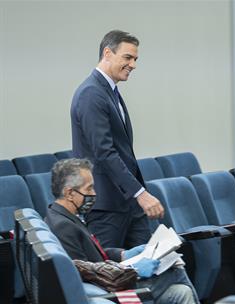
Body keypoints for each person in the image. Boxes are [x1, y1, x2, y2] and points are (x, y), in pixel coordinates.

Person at [45, 159, 198, 304]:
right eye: (89, 188)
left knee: (181, 291)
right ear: (69, 193)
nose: (94, 193)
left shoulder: (64, 216)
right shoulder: (63, 226)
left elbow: (91, 258)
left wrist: (124, 254)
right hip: (110, 291)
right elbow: (83, 274)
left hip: (109, 281)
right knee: (175, 270)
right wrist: (134, 270)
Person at [70, 29, 164, 248]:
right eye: (128, 57)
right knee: (110, 276)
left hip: (126, 202)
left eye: (135, 59)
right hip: (106, 205)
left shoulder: (109, 90)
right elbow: (104, 152)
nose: (133, 65)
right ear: (107, 53)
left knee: (146, 266)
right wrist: (141, 193)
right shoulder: (91, 93)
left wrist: (136, 195)